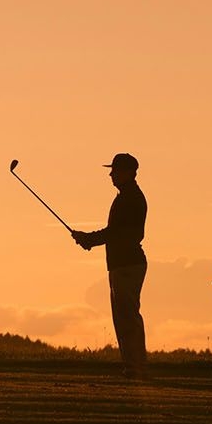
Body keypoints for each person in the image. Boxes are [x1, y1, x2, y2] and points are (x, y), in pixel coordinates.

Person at [72, 153, 149, 379]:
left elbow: (116, 232)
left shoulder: (130, 198)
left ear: (127, 173)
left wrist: (89, 239)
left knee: (127, 316)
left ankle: (136, 366)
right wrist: (89, 239)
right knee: (124, 316)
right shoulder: (126, 196)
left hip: (127, 263)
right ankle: (133, 365)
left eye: (115, 170)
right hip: (122, 263)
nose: (111, 174)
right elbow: (115, 233)